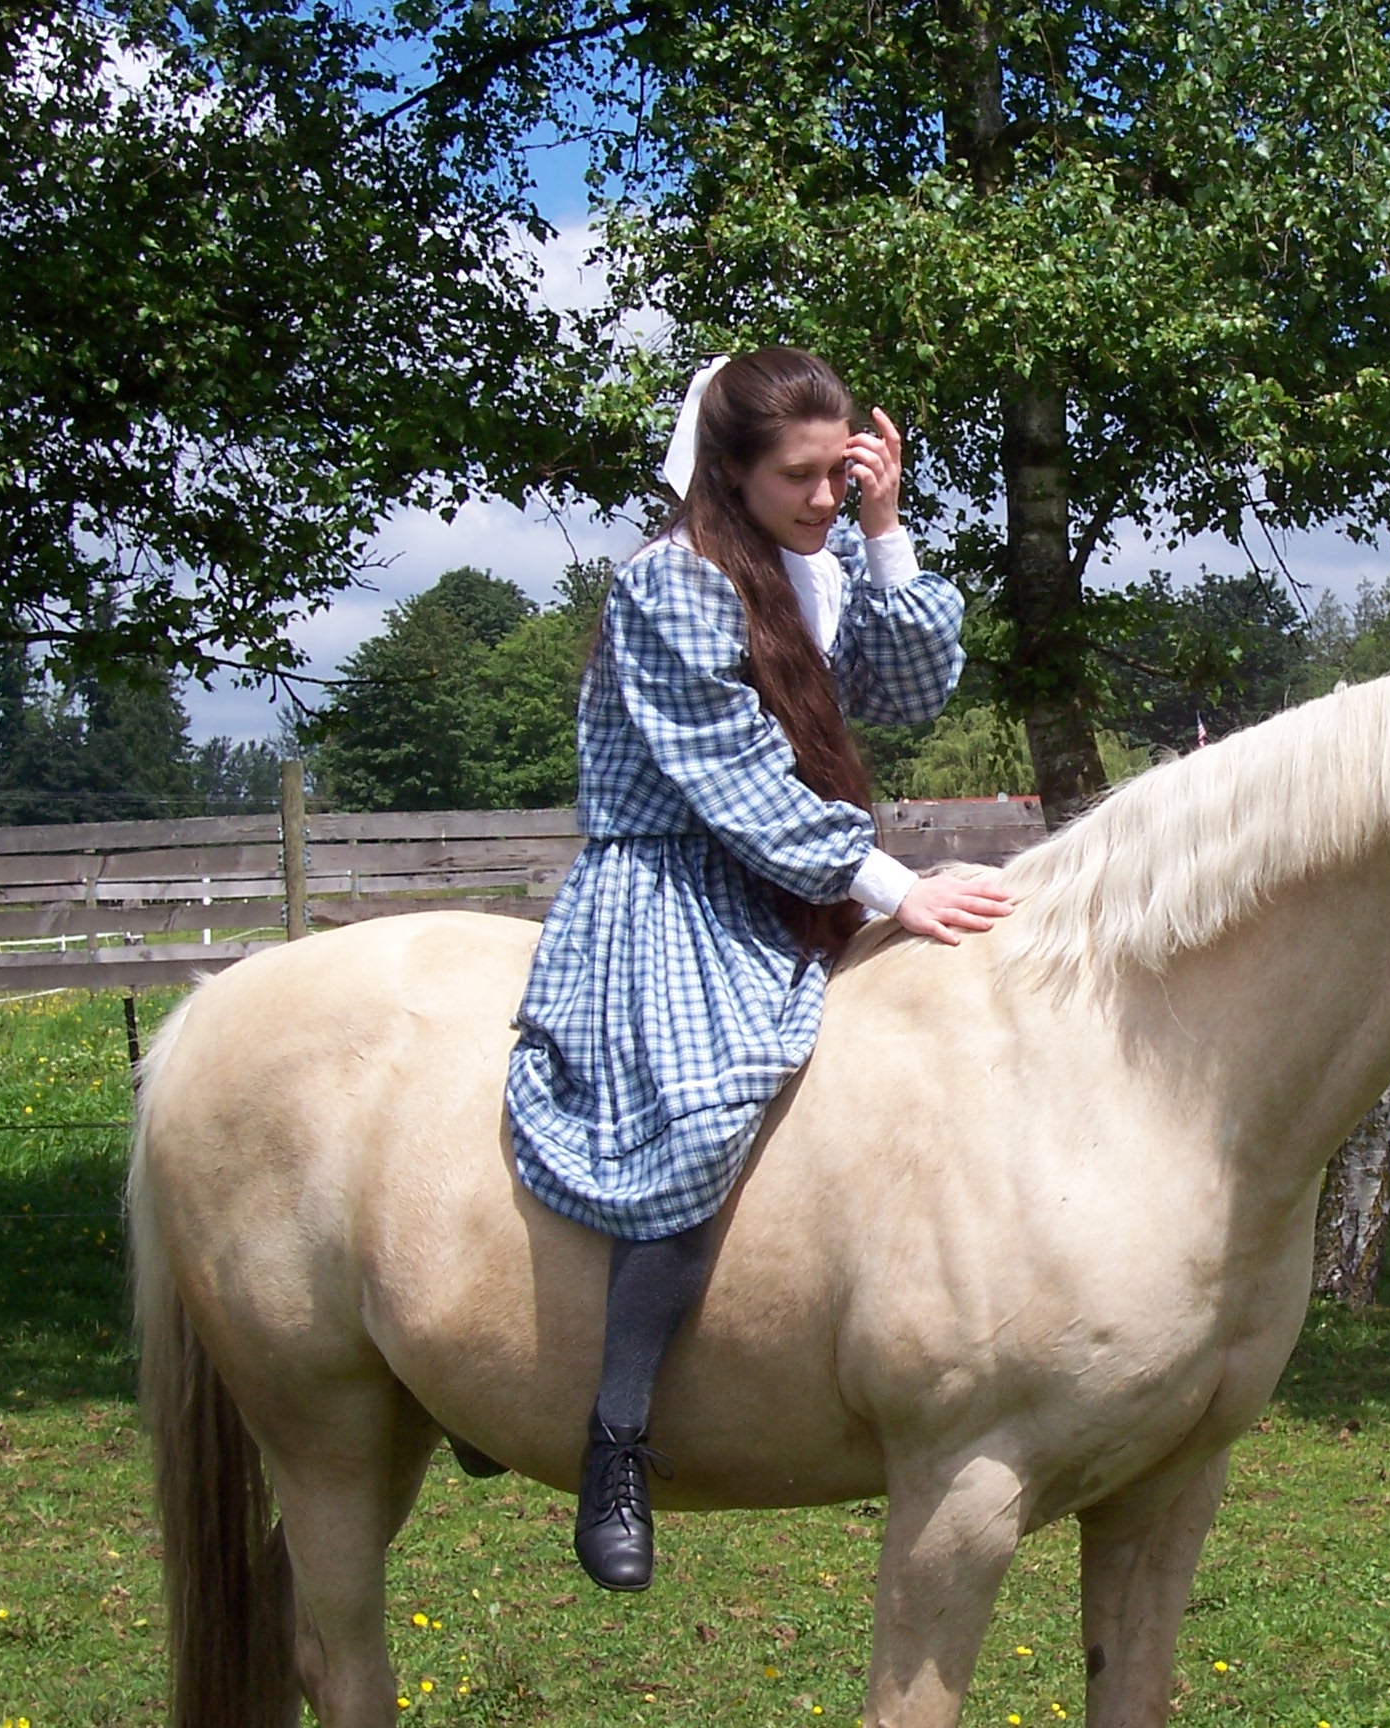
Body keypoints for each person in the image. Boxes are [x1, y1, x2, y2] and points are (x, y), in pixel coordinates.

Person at [505, 347, 1014, 1591]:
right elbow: (732, 784)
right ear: (726, 473)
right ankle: (616, 1443)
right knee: (701, 1106)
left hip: (798, 882)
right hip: (679, 886)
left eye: (841, 475)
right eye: (800, 478)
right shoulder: (669, 586)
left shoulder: (818, 569)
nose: (823, 498)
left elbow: (914, 691)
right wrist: (894, 886)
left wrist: (886, 533)